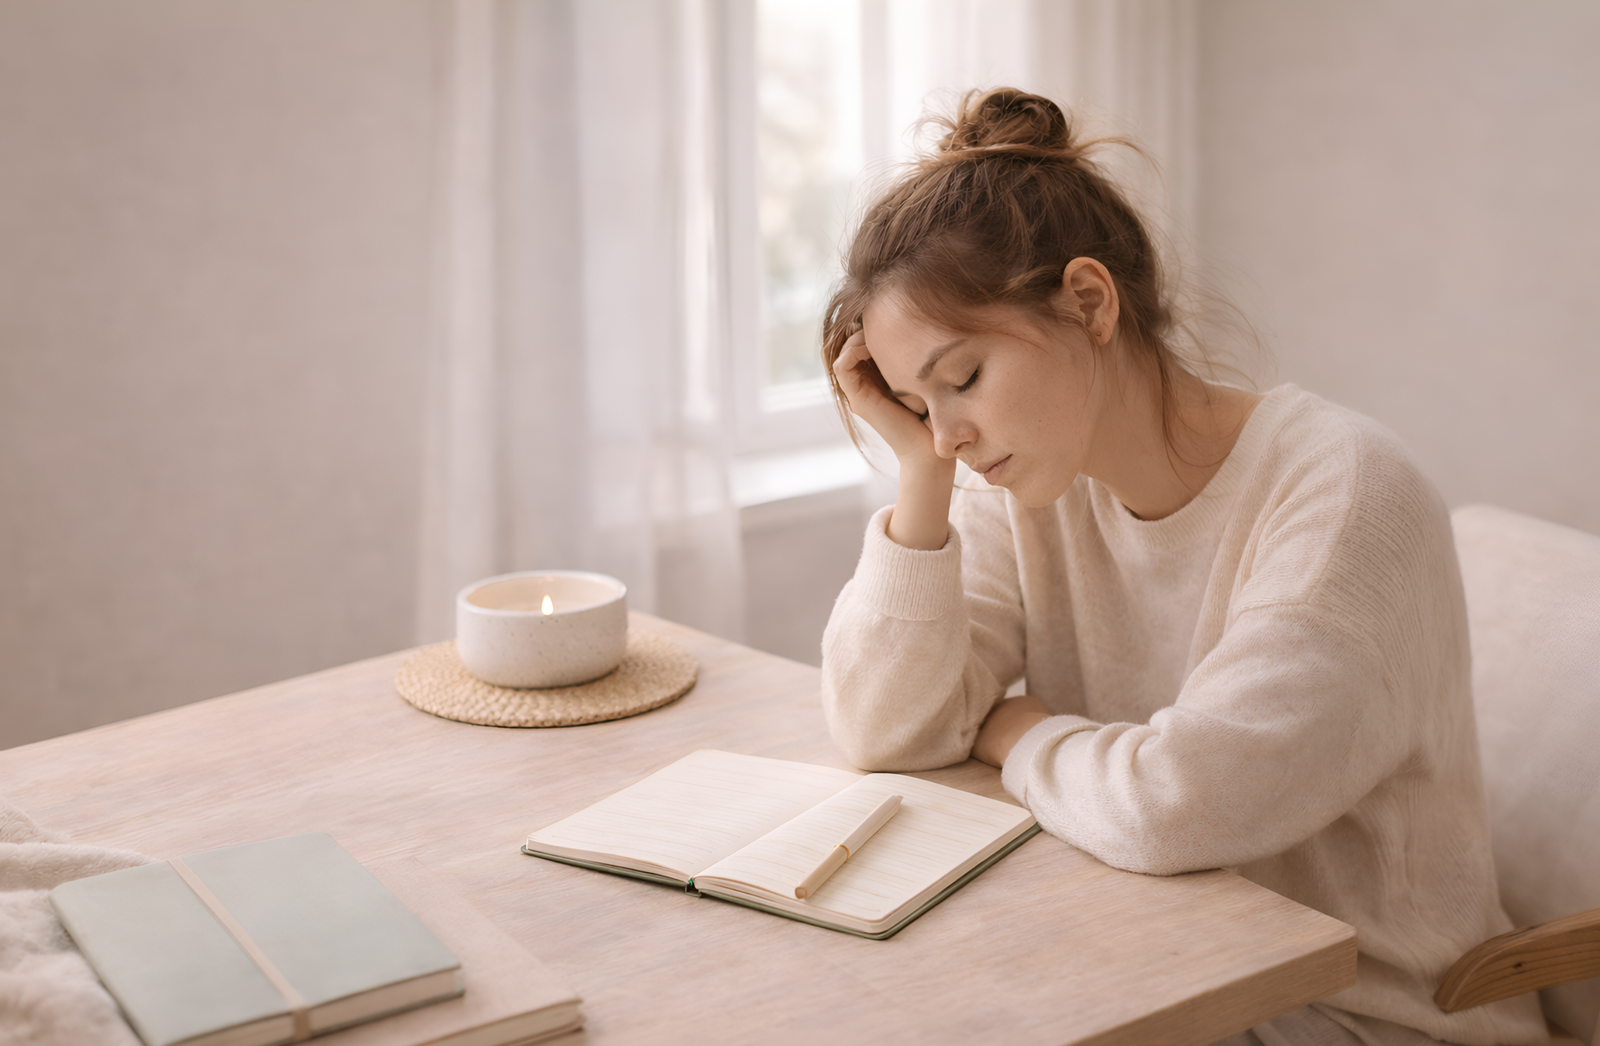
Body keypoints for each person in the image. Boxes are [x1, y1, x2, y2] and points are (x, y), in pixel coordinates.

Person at [819, 88, 1547, 1046]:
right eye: (918, 404)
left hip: (1361, 1014)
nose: (950, 433)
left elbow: (1174, 808)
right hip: (1156, 966)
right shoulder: (1025, 482)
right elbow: (885, 729)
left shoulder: (1344, 493)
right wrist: (919, 476)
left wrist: (1020, 732)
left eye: (963, 379)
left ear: (1089, 302)